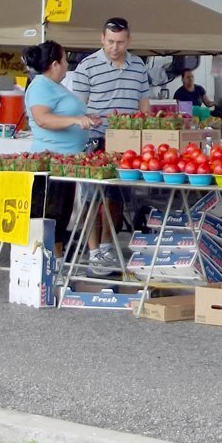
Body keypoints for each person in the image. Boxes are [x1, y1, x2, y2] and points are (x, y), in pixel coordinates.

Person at [72, 17, 152, 272]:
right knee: (90, 197)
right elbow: (76, 106)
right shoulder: (87, 67)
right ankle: (93, 250)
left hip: (126, 143)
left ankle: (107, 245)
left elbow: (144, 105)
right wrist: (83, 121)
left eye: (120, 42)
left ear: (129, 40)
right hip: (94, 141)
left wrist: (147, 131)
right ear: (101, 39)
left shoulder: (138, 66)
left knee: (118, 195)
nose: (115, 47)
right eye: (110, 42)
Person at [24, 41, 103, 257]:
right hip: (51, 161)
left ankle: (55, 266)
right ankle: (46, 266)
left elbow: (61, 114)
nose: (68, 65)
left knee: (60, 218)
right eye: (65, 60)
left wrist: (85, 119)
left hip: (65, 162)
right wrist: (76, 120)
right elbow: (43, 119)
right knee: (50, 217)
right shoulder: (41, 86)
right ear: (55, 64)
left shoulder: (55, 86)